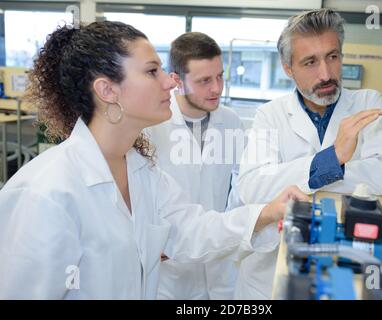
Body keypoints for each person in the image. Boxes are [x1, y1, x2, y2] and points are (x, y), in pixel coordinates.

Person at [0, 21, 308, 299]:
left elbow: (192, 229)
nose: (170, 82)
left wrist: (269, 212)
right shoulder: (45, 193)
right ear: (108, 90)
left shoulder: (141, 171)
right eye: (152, 71)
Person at [235, 9, 382, 299]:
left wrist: (308, 174)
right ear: (287, 68)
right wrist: (333, 160)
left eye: (333, 56)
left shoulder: (368, 103)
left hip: (348, 267)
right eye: (310, 62)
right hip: (269, 275)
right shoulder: (270, 115)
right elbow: (251, 187)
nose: (326, 73)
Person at [144, 32, 244, 300]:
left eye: (220, 76)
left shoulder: (232, 122)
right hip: (172, 269)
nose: (217, 88)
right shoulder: (152, 128)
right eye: (204, 81)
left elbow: (241, 186)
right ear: (176, 80)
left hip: (220, 261)